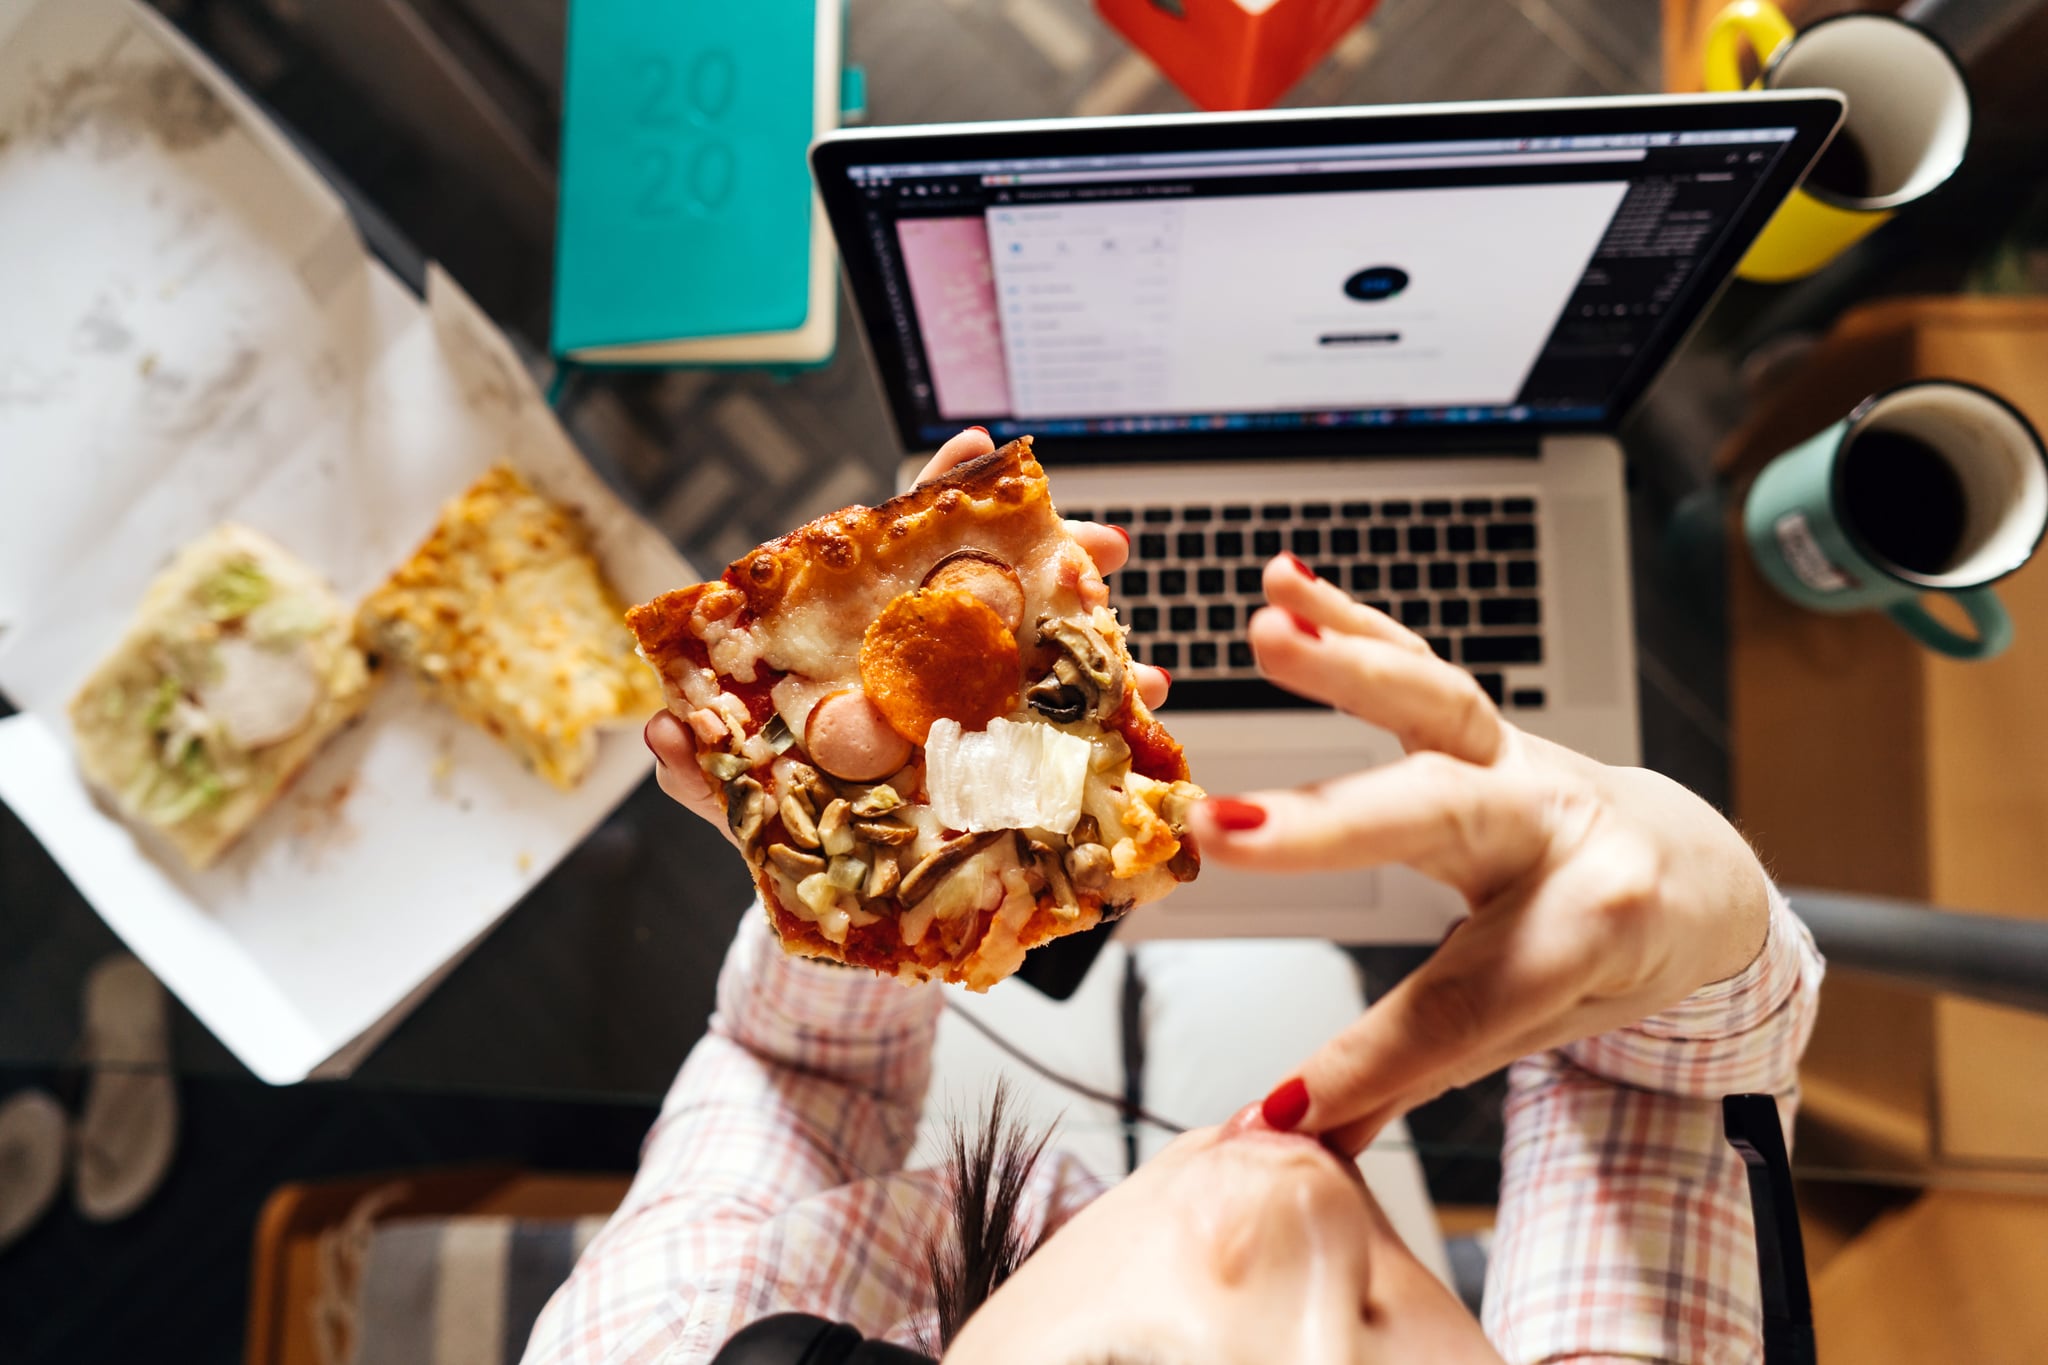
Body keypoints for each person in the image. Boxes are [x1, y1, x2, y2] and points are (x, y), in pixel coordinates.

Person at [524, 429, 1823, 1365]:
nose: (1305, 1224)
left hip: (988, 1121)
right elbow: (1659, 1096)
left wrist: (864, 881)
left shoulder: (654, 1338)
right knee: (1286, 976)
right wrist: (1693, 911)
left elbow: (793, 1077)